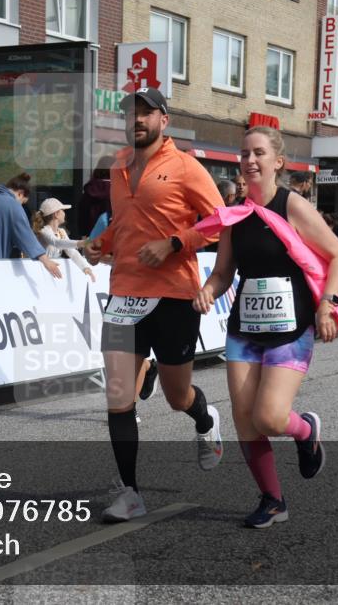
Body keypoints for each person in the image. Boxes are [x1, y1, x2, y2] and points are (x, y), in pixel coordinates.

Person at [82, 87, 225, 522]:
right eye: (132, 114)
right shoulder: (120, 166)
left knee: (176, 396)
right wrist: (101, 243)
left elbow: (221, 222)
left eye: (146, 113)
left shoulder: (186, 167)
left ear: (164, 120)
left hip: (174, 297)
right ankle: (130, 492)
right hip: (125, 294)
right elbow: (125, 225)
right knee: (119, 395)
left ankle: (205, 420)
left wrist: (175, 243)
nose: (137, 119)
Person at [194, 126, 338, 529]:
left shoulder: (291, 205)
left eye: (258, 153)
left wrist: (327, 306)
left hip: (291, 328)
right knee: (245, 420)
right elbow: (224, 272)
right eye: (244, 153)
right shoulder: (235, 215)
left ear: (277, 161)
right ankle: (273, 499)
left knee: (269, 418)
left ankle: (305, 430)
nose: (249, 160)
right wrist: (208, 290)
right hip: (244, 329)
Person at [0, 173, 63, 279]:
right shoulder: (13, 205)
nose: (21, 205)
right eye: (23, 202)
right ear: (20, 193)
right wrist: (46, 260)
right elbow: (26, 236)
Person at [32, 198, 95, 281]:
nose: (64, 213)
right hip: (40, 273)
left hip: (52, 273)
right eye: (62, 210)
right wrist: (80, 243)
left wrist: (85, 267)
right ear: (56, 214)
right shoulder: (44, 230)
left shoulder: (61, 232)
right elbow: (56, 242)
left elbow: (72, 252)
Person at [78, 159, 113, 236]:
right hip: (113, 237)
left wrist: (83, 235)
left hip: (91, 237)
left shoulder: (90, 190)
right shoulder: (120, 190)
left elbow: (82, 215)